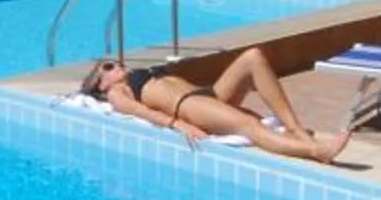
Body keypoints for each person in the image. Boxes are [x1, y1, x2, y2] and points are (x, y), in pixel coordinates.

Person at [76, 47, 349, 163]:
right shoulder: (116, 93)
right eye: (108, 67)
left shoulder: (129, 77)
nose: (116, 65)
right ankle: (316, 151)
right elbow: (141, 112)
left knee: (253, 57)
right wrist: (179, 124)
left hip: (207, 94)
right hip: (188, 106)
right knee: (249, 125)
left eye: (114, 62)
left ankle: (296, 130)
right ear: (100, 85)